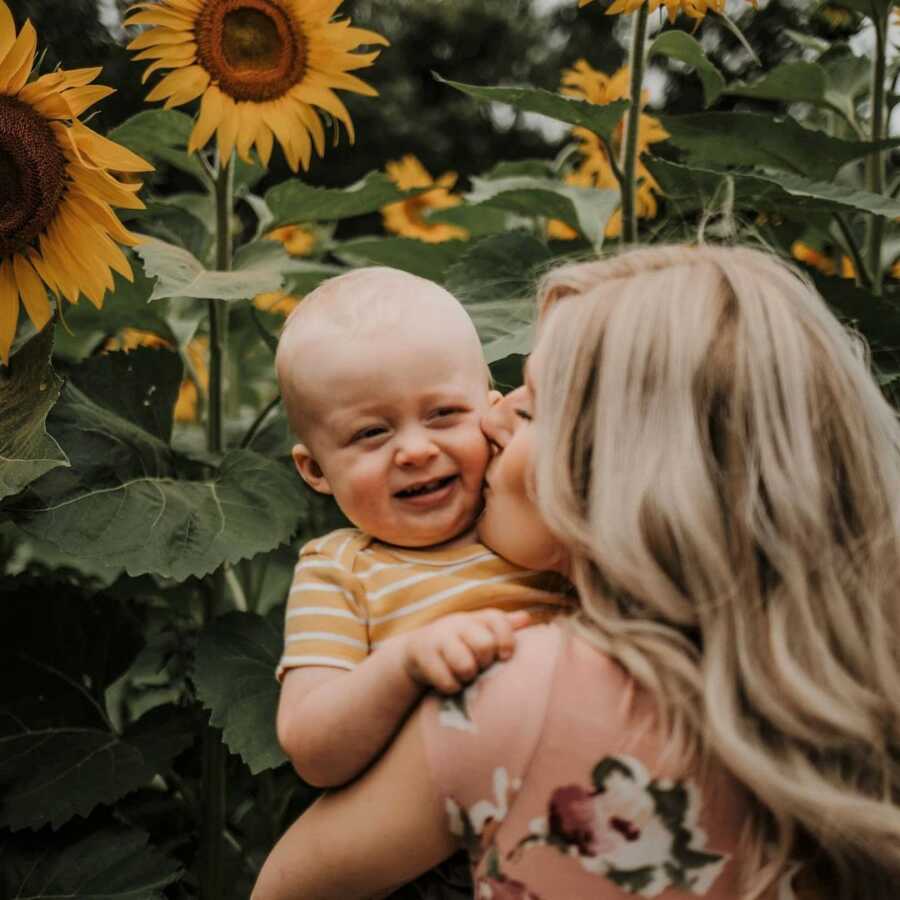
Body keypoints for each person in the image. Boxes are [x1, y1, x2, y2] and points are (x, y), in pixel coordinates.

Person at [254, 243, 900, 899]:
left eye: (530, 408)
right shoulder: (855, 692)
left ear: (619, 473)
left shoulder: (523, 694)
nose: (493, 416)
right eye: (372, 433)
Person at [273, 266, 570, 793]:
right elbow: (311, 748)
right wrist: (404, 664)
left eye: (443, 414)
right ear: (315, 470)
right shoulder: (341, 571)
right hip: (432, 846)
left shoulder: (532, 517)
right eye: (371, 432)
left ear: (494, 412)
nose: (414, 450)